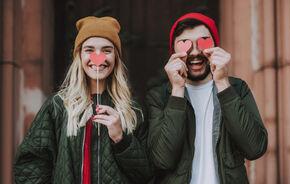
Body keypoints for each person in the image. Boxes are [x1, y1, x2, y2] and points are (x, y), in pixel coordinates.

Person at [14, 16, 153, 184]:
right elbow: (30, 162)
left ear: (116, 57)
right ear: (79, 56)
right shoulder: (58, 106)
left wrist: (121, 139)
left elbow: (145, 175)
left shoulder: (133, 111)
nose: (98, 57)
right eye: (89, 50)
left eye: (107, 50)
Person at [146, 12, 268, 184]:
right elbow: (163, 160)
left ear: (216, 46)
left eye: (203, 42)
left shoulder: (237, 89)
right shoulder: (160, 96)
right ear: (174, 52)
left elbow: (255, 148)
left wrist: (223, 83)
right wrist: (178, 90)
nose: (195, 52)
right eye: (185, 45)